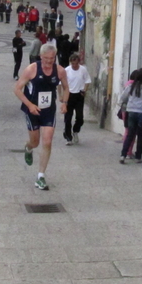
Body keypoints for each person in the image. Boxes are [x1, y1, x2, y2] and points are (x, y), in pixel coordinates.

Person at [15, 43, 69, 190]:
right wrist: (30, 105)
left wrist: (64, 102)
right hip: (32, 110)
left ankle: (41, 176)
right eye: (46, 59)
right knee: (35, 142)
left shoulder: (60, 71)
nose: (49, 62)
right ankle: (28, 147)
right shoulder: (32, 69)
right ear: (40, 56)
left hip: (48, 110)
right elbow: (17, 89)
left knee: (47, 141)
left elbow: (66, 87)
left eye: (52, 59)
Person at [118, 69, 142, 164]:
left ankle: (123, 155)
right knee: (140, 135)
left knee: (130, 134)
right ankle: (138, 156)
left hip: (131, 111)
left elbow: (123, 98)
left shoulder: (131, 86)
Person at [63, 53, 91, 145]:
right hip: (69, 95)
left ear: (78, 62)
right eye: (72, 64)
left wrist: (84, 90)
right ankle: (68, 137)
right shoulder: (66, 70)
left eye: (76, 63)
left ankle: (75, 130)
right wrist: (61, 95)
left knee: (80, 117)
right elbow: (61, 83)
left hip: (79, 95)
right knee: (68, 118)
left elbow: (87, 80)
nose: (74, 65)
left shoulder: (83, 70)